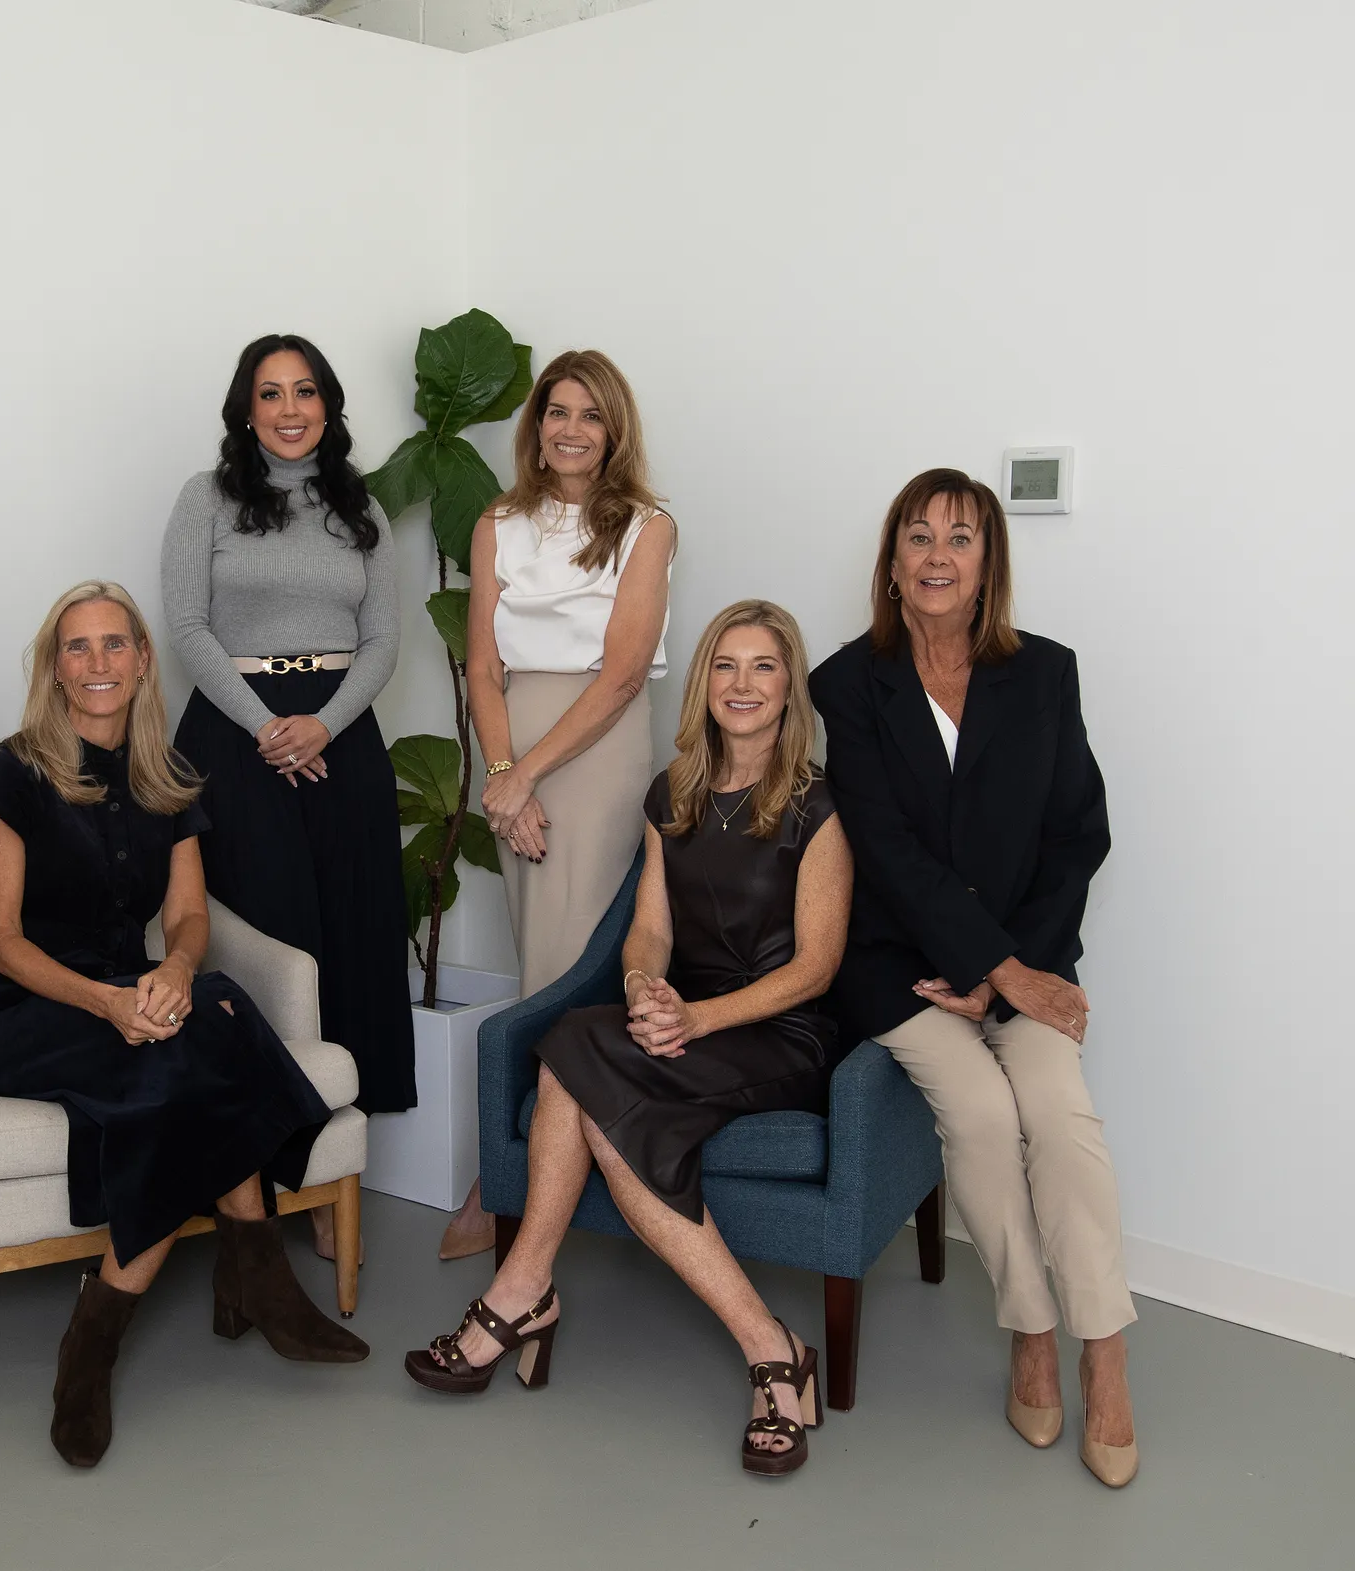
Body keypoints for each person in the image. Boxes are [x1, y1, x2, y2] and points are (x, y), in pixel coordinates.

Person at [408, 601, 851, 1478]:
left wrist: (700, 1017)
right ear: (703, 682)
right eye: (726, 665)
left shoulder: (815, 805)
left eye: (764, 667)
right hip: (685, 1015)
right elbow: (646, 931)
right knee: (578, 1042)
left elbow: (818, 968)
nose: (743, 684)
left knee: (581, 1075)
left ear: (788, 686)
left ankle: (532, 1299)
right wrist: (649, 987)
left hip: (775, 1033)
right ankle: (759, 1348)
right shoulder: (673, 794)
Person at [0, 581, 368, 1469]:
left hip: (130, 991)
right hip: (23, 1008)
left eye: (115, 644)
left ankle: (202, 1290)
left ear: (143, 661)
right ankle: (143, 1324)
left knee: (215, 1003)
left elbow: (186, 920)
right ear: (54, 669)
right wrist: (108, 1001)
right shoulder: (11, 773)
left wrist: (173, 972)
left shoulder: (167, 778)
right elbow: (0, 937)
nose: (98, 663)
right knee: (183, 1060)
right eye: (77, 647)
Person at [809, 468, 1137, 1488]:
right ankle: (1030, 1331)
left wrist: (1010, 976)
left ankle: (1104, 1349)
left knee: (1058, 1108)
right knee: (983, 1118)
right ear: (892, 563)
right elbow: (889, 851)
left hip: (1024, 961)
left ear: (987, 560)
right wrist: (981, 969)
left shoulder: (1042, 673)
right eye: (918, 536)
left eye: (960, 536)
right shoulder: (845, 683)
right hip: (898, 970)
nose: (938, 555)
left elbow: (1075, 836)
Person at [163, 333, 411, 1261]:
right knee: (262, 943)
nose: (291, 409)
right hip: (236, 734)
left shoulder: (361, 507)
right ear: (246, 408)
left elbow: (384, 641)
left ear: (328, 404)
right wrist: (269, 723)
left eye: (306, 391)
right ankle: (253, 1175)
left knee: (348, 938)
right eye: (271, 394)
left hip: (340, 736)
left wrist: (324, 724)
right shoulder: (209, 498)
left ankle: (326, 1176)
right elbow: (184, 624)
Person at [441, 348, 674, 1258]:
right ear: (537, 424)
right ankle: (531, 1166)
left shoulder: (648, 526)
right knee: (535, 946)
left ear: (614, 430)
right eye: (556, 411)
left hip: (596, 749)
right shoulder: (497, 522)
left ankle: (516, 1178)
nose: (570, 429)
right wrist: (503, 772)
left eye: (590, 414)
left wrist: (526, 772)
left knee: (577, 964)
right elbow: (483, 665)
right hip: (515, 759)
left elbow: (621, 677)